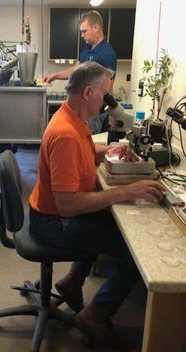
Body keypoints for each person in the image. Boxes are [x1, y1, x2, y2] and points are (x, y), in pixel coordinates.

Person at [29, 62, 164, 348]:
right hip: (55, 222)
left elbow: (87, 150)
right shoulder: (65, 133)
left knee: (109, 220)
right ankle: (97, 314)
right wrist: (129, 190)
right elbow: (68, 205)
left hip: (51, 213)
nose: (107, 101)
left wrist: (110, 150)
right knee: (133, 251)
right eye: (105, 94)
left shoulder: (73, 120)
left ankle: (74, 279)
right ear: (88, 92)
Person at [44, 10, 117, 134]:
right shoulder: (87, 49)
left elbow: (108, 88)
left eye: (84, 31)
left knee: (89, 146)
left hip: (94, 113)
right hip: (82, 111)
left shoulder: (107, 53)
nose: (82, 35)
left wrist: (111, 115)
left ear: (96, 28)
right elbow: (75, 70)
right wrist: (54, 76)